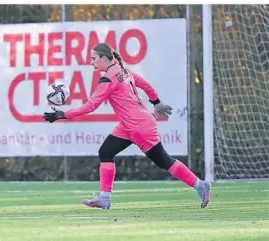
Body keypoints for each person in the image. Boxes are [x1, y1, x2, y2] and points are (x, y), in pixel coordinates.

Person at [43, 43, 211, 210]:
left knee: (164, 161)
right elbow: (144, 84)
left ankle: (200, 185)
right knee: (106, 152)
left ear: (103, 58)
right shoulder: (122, 70)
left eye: (94, 58)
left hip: (139, 126)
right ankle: (105, 198)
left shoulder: (107, 79)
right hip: (130, 124)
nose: (92, 62)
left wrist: (61, 115)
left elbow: (90, 106)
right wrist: (156, 102)